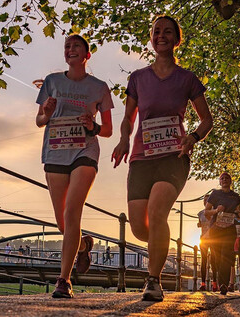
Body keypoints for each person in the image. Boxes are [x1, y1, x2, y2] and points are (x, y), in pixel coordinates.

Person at [111, 15, 213, 301]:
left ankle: (153, 281)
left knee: (157, 212)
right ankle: (161, 241)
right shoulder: (138, 78)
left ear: (177, 39)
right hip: (141, 158)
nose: (161, 36)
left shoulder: (187, 78)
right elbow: (128, 119)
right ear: (151, 38)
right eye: (156, 31)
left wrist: (192, 137)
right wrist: (122, 139)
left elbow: (207, 119)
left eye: (168, 32)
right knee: (140, 227)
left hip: (173, 157)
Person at [36, 34, 113, 299]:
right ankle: (82, 245)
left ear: (86, 55)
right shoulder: (51, 82)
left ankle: (63, 280)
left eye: (76, 46)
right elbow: (39, 120)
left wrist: (93, 126)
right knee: (62, 222)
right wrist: (46, 112)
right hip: (55, 152)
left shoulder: (100, 87)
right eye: (67, 46)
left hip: (85, 150)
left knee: (72, 211)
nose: (70, 49)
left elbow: (108, 130)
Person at [205, 172, 240, 295]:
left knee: (226, 256)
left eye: (227, 178)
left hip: (230, 229)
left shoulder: (236, 197)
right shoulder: (215, 194)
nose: (225, 180)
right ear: (220, 182)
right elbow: (206, 212)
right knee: (217, 258)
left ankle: (224, 285)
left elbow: (239, 213)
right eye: (222, 178)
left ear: (231, 181)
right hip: (216, 229)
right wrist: (216, 210)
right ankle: (221, 282)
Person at [197, 194, 217, 292]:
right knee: (203, 262)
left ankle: (214, 284)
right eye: (204, 200)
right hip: (203, 239)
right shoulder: (200, 213)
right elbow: (200, 224)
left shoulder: (215, 213)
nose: (206, 202)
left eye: (207, 200)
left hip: (214, 239)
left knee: (214, 262)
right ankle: (203, 284)